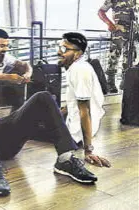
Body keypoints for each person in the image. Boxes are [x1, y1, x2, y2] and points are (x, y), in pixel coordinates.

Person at [57, 32, 111, 168]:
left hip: (75, 132)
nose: (59, 52)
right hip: (72, 123)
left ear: (78, 54)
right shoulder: (75, 68)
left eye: (64, 49)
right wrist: (57, 114)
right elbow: (73, 104)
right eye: (59, 47)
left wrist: (88, 151)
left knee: (38, 104)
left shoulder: (80, 70)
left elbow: (85, 111)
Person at [98, 0, 137, 93]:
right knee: (114, 56)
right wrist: (109, 23)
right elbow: (101, 12)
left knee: (130, 57)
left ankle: (126, 80)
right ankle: (110, 82)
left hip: (133, 32)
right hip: (119, 30)